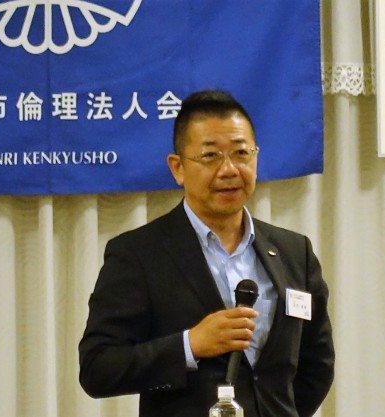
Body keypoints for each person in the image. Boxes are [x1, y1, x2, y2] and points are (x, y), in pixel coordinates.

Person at [79, 90, 334, 417]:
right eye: (211, 156)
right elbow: (98, 368)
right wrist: (191, 344)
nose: (229, 169)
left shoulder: (294, 252)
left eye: (241, 153)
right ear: (178, 168)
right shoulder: (138, 254)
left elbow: (317, 363)